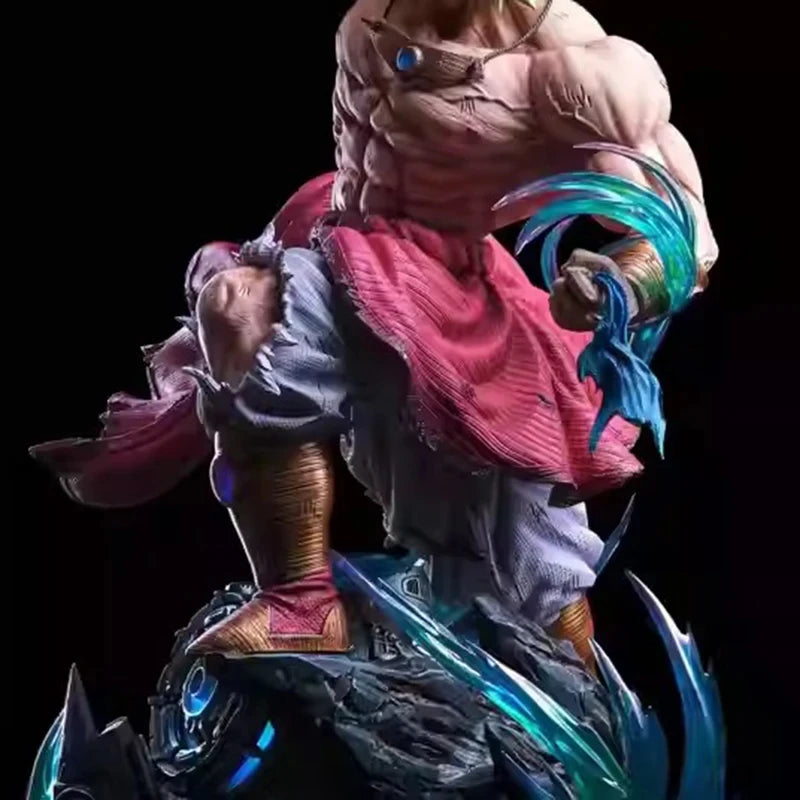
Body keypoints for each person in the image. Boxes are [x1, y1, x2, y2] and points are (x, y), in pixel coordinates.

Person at [31, 0, 717, 667]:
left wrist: (620, 285)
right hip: (339, 237)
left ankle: (581, 701)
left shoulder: (576, 69)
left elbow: (686, 235)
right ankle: (299, 602)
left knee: (532, 567)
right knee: (241, 307)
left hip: (451, 294)